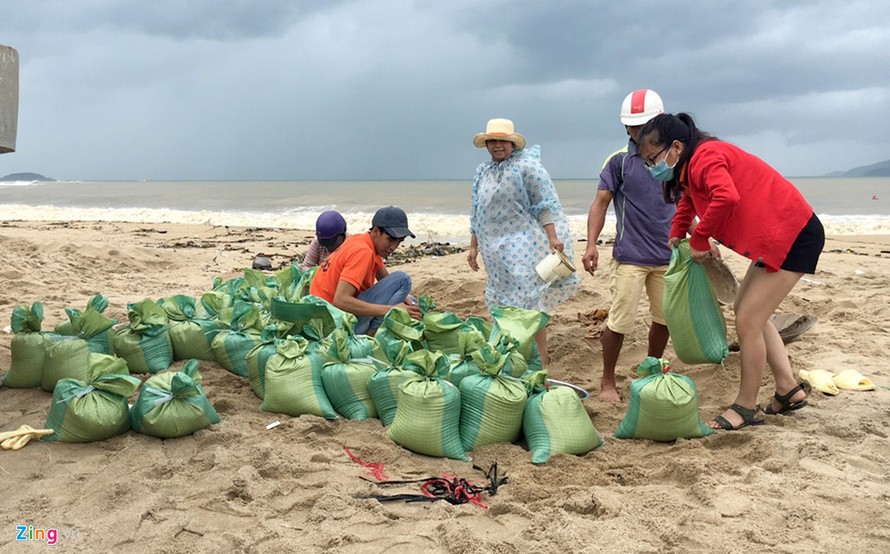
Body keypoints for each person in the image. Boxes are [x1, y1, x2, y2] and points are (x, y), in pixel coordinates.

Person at [636, 112, 824, 431]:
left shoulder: (707, 156)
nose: (652, 167)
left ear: (676, 147)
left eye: (652, 159)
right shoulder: (690, 165)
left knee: (748, 320)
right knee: (746, 311)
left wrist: (698, 237)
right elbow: (691, 200)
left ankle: (744, 408)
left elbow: (726, 197)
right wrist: (678, 230)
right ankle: (787, 388)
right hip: (778, 235)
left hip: (794, 234)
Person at [582, 89, 675, 402]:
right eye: (632, 127)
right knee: (620, 320)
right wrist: (591, 244)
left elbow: (687, 203)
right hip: (630, 257)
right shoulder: (619, 161)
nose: (637, 132)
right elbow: (600, 203)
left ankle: (652, 368)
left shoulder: (675, 161)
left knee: (664, 319)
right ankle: (608, 381)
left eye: (644, 125)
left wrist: (702, 236)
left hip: (667, 256)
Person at [467, 118, 580, 365]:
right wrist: (473, 246)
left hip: (523, 246)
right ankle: (511, 355)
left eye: (502, 141)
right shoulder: (482, 172)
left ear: (512, 143)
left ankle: (540, 359)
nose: (497, 145)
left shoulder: (527, 167)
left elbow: (543, 204)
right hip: (493, 251)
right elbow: (476, 209)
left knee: (529, 301)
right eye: (492, 141)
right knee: (501, 301)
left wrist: (553, 238)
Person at [309, 206, 422, 335]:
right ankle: (372, 332)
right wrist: (392, 310)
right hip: (336, 326)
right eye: (390, 239)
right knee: (403, 279)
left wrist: (405, 299)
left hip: (321, 320)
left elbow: (385, 280)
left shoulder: (361, 240)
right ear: (375, 231)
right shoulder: (363, 252)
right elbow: (340, 300)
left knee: (411, 301)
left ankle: (377, 324)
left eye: (399, 242)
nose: (393, 247)